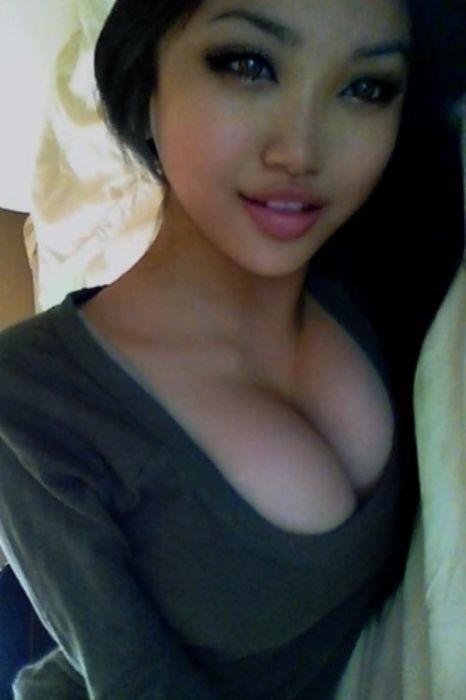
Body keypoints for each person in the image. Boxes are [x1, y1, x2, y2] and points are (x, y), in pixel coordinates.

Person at [0, 1, 464, 698]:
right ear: (146, 80)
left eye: (365, 88)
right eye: (246, 65)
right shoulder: (31, 397)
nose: (301, 151)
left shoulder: (383, 272)